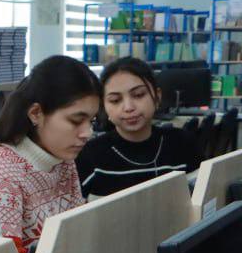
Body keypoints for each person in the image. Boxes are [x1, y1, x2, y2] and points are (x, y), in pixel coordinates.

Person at [0, 55, 100, 253]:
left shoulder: (63, 160)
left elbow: (75, 237)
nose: (87, 133)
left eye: (91, 121)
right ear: (36, 113)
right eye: (76, 121)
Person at [76, 57, 201, 197]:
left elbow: (203, 200)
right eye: (115, 100)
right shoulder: (89, 156)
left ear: (157, 97)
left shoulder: (183, 143)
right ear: (103, 107)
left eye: (138, 95)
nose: (128, 107)